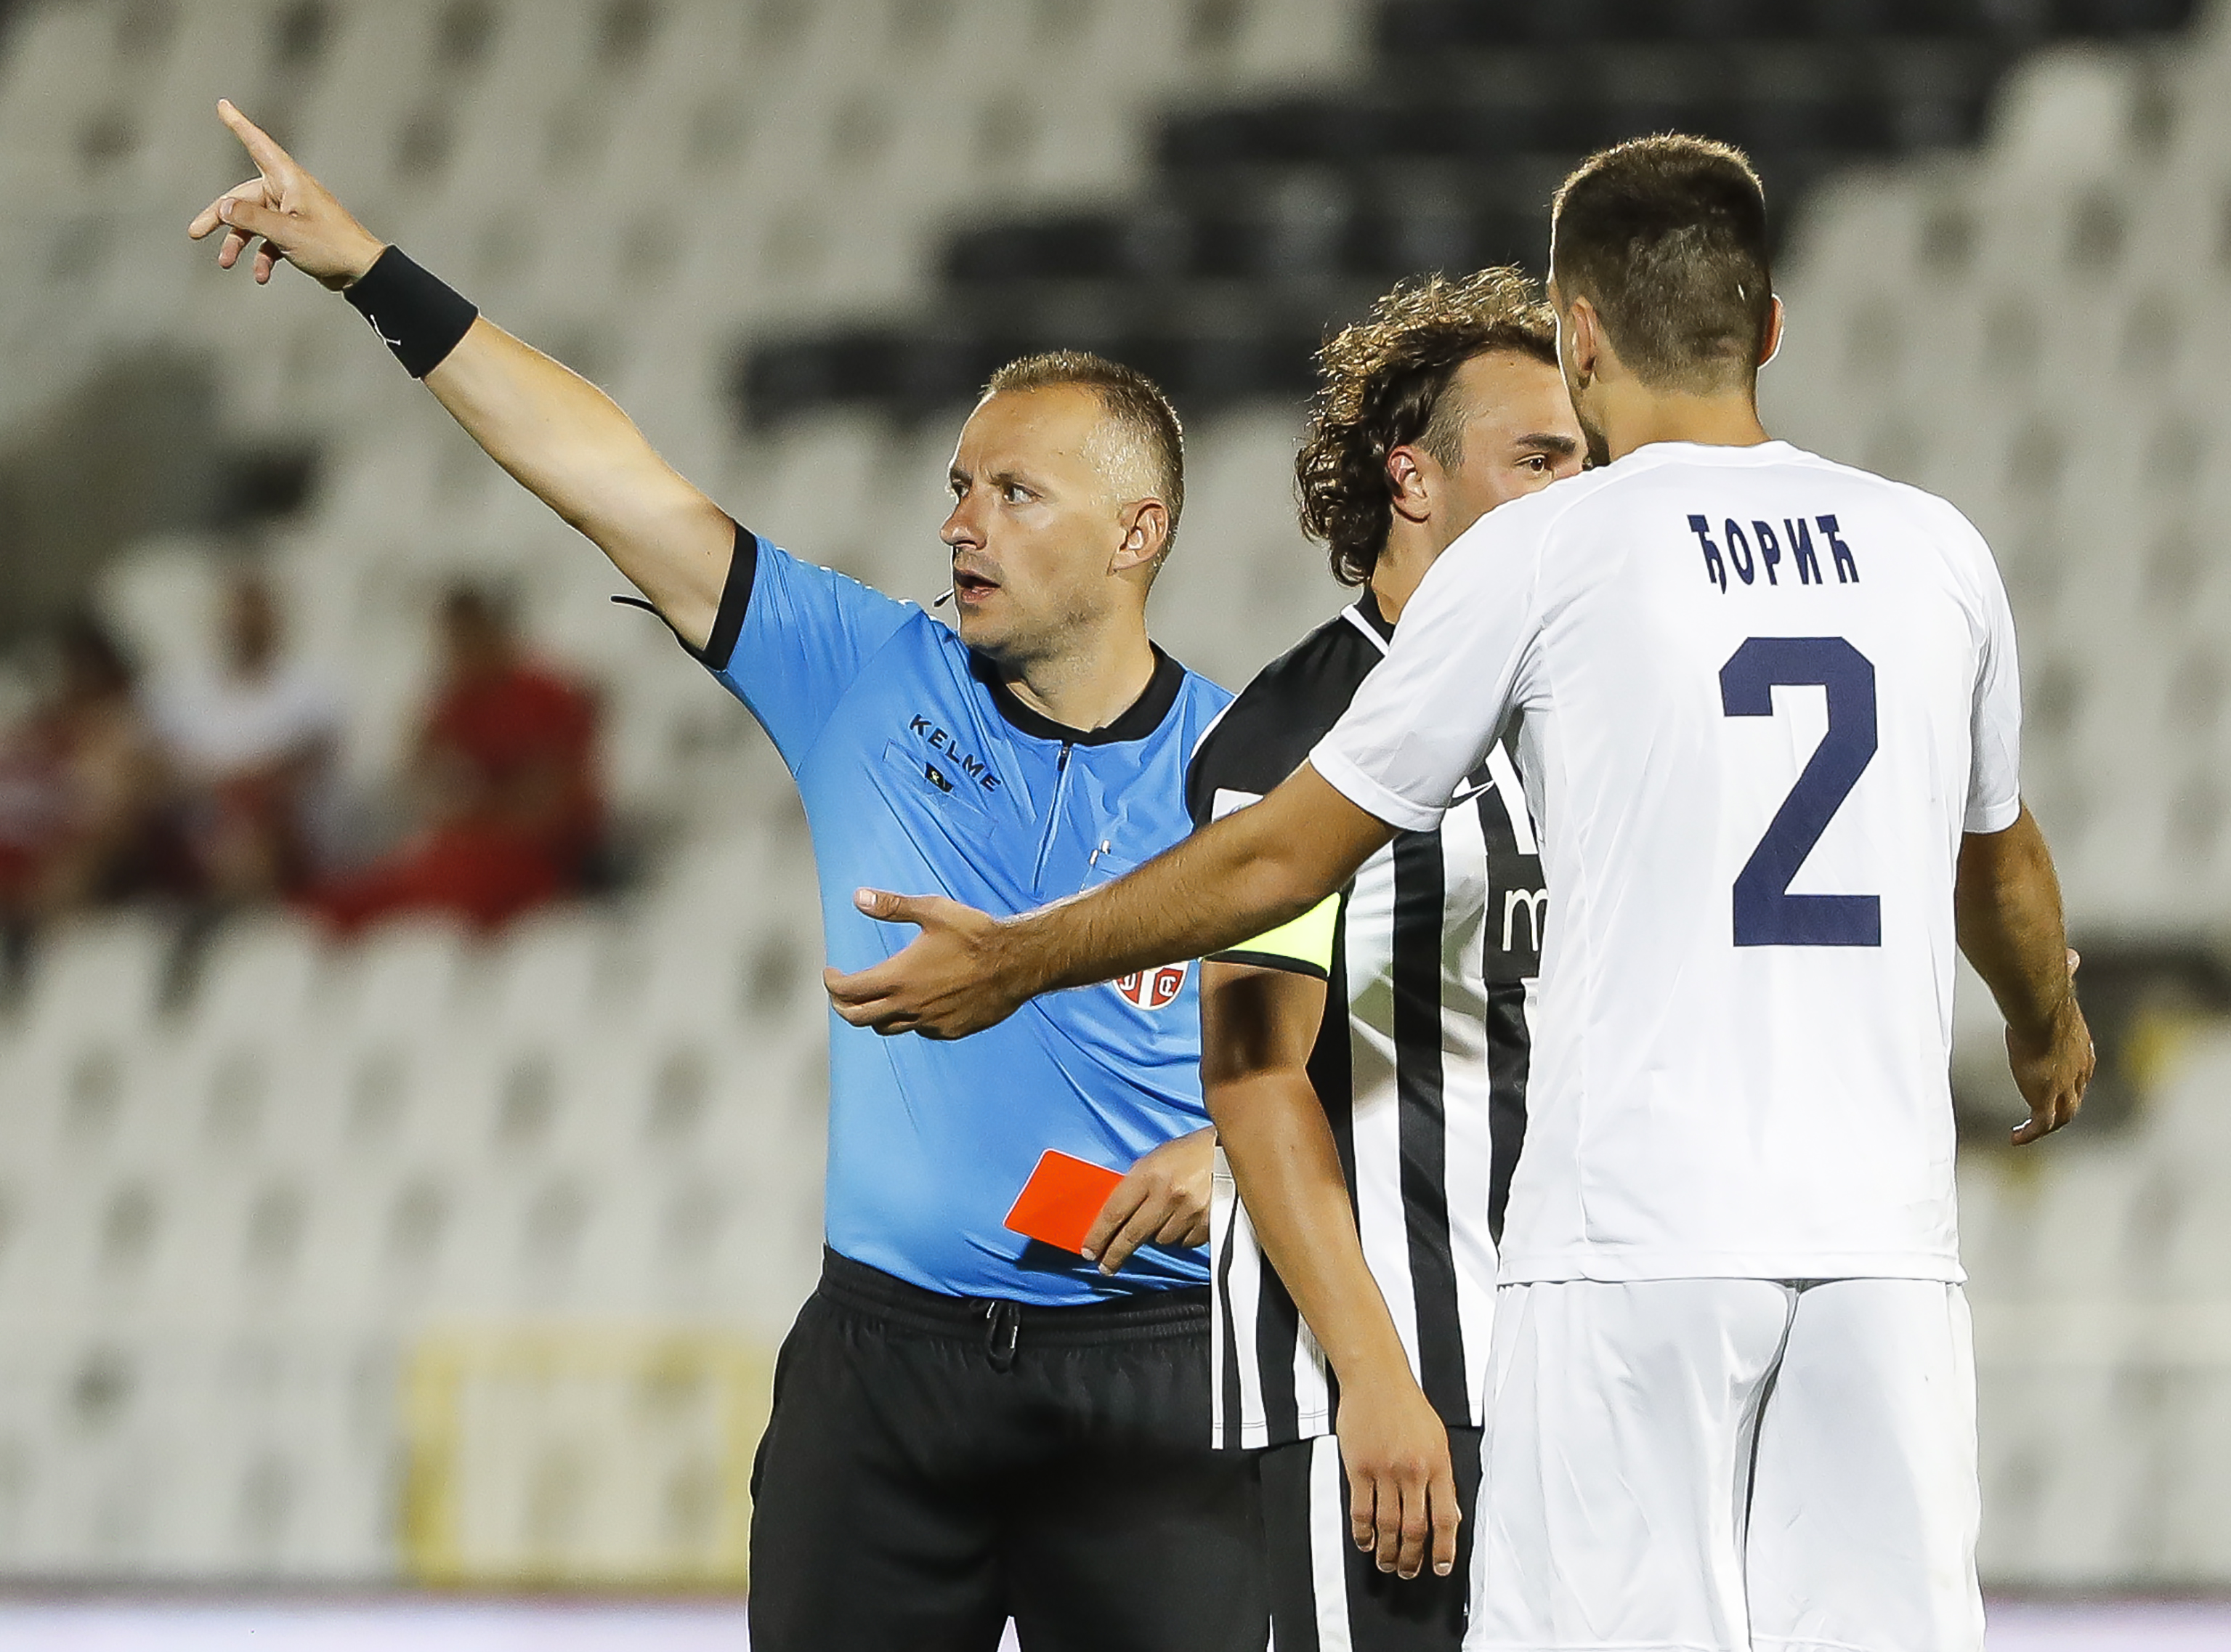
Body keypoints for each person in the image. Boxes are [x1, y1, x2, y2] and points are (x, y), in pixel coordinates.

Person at [827, 134, 2095, 1652]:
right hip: (1879, 1245)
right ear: (1767, 325)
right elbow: (1997, 859)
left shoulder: (1553, 556)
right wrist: (2043, 1026)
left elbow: (1280, 857)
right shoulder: (1930, 548)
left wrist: (1022, 958)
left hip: (1627, 1254)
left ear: (1577, 332)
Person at [190, 101, 1263, 1650]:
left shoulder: (1254, 773)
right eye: (957, 485)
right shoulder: (861, 671)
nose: (958, 523)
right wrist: (369, 270)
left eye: (1013, 494)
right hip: (882, 1381)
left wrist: (1231, 1170)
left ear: (1135, 531)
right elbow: (606, 475)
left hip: (1157, 1380)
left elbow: (1379, 1065)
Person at [1189, 270, 1581, 1646]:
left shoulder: (1579, 711)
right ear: (1411, 479)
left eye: (1588, 458)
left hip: (1571, 1366)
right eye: (1539, 457)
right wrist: (1376, 1374)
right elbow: (1251, 1073)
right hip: (1392, 1374)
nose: (1577, 488)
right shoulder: (1286, 739)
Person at [310, 582, 602, 932]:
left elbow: (552, 801)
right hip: (478, 843)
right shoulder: (457, 697)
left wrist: (475, 811)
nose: (458, 652)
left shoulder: (547, 695)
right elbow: (414, 764)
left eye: (466, 638)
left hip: (544, 855)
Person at [155, 567, 341, 903]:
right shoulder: (184, 694)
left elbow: (306, 761)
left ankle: (231, 911)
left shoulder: (309, 689)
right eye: (238, 612)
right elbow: (158, 764)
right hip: (193, 822)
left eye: (254, 612)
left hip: (273, 828)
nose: (244, 623)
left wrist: (235, 784)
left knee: (251, 814)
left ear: (273, 619)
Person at [0, 615, 162, 931]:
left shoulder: (118, 735)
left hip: (51, 870)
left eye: (89, 671)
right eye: (73, 670)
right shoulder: (31, 731)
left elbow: (116, 823)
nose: (77, 681)